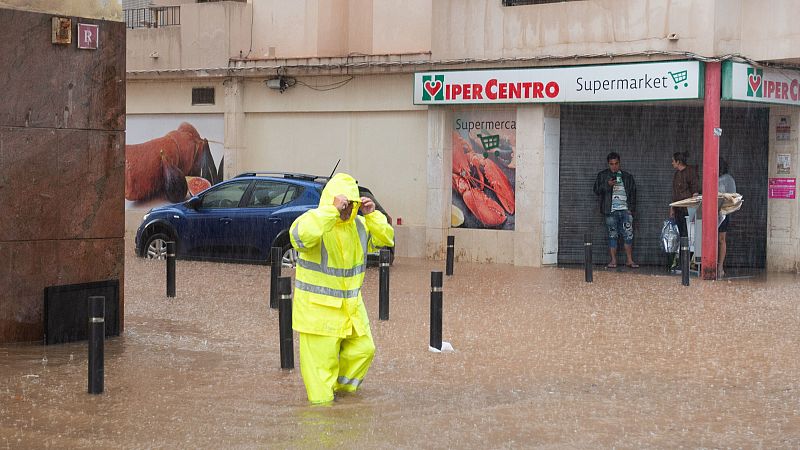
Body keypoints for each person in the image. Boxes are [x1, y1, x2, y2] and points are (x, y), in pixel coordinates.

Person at [289, 173, 394, 404]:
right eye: (344, 205)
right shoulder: (315, 220)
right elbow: (300, 237)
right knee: (320, 384)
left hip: (351, 311)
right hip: (318, 316)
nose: (347, 210)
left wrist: (372, 215)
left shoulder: (358, 226)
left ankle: (343, 397)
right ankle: (320, 425)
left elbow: (387, 238)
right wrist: (331, 210)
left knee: (365, 350)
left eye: (351, 205)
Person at [593, 152, 639, 268]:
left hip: (625, 210)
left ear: (619, 163)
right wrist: (607, 185)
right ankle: (613, 261)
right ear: (608, 164)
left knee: (628, 235)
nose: (614, 166)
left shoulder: (627, 176)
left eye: (616, 163)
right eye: (611, 164)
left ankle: (629, 260)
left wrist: (631, 209)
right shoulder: (603, 175)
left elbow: (633, 193)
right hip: (610, 210)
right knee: (612, 235)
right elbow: (596, 190)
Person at [669, 151, 700, 270]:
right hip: (678, 209)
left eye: (673, 161)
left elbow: (695, 192)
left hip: (688, 210)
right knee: (681, 235)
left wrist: (693, 208)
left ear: (678, 162)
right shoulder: (676, 174)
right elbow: (675, 193)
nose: (672, 163)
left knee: (689, 236)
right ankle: (681, 262)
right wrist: (672, 208)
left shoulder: (691, 172)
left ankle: (689, 262)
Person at [717, 158, 736, 277]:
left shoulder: (728, 180)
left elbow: (734, 197)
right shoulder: (712, 177)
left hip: (723, 214)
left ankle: (720, 267)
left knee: (721, 239)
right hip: (711, 213)